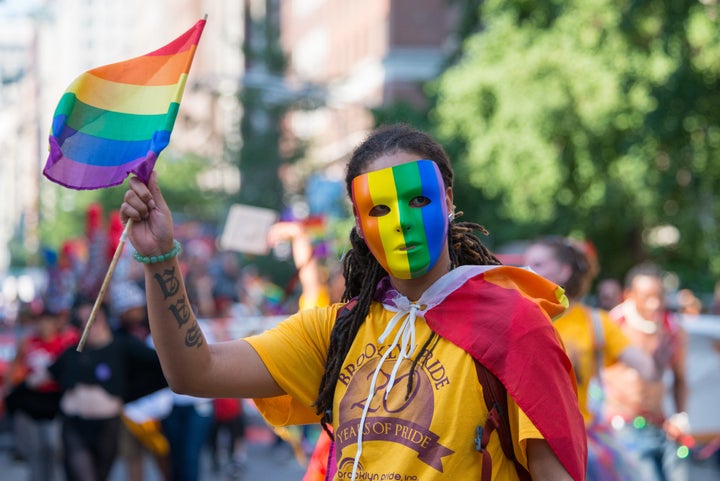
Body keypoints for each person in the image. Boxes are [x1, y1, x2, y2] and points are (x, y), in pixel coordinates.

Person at [120, 123, 587, 481]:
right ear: (360, 225)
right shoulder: (334, 330)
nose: (400, 223)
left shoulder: (513, 324)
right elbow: (192, 371)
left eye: (418, 200)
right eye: (379, 209)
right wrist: (160, 256)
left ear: (448, 200)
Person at [523, 237, 656, 481]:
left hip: (577, 443)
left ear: (564, 271)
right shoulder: (520, 318)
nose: (527, 270)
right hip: (524, 442)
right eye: (527, 263)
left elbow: (646, 366)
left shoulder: (595, 322)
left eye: (538, 264)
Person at [48, 294, 167, 481]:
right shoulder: (72, 352)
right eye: (82, 321)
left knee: (100, 475)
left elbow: (157, 364)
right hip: (74, 426)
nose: (89, 325)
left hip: (107, 426)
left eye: (93, 319)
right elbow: (51, 375)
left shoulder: (123, 345)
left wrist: (126, 395)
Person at [604, 262, 689, 481]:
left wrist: (680, 417)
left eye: (659, 296)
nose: (655, 303)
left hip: (660, 425)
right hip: (622, 428)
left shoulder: (672, 329)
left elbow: (680, 378)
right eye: (646, 297)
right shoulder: (614, 326)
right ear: (628, 295)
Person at [3, 307, 79, 481]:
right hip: (32, 400)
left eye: (48, 321)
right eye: (41, 321)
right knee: (35, 448)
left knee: (53, 445)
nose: (44, 325)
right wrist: (9, 387)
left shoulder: (64, 342)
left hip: (55, 400)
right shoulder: (28, 342)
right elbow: (15, 364)